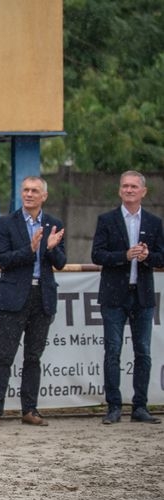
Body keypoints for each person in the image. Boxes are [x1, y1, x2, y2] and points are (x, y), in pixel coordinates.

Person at [0, 176, 66, 428]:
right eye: (25, 190)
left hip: (42, 297)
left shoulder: (54, 223)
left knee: (33, 357)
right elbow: (2, 260)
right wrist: (30, 250)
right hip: (13, 297)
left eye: (34, 191)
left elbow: (61, 262)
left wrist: (50, 248)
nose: (29, 194)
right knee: (5, 356)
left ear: (44, 196)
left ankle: (29, 409)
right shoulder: (7, 222)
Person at [91, 171, 164, 424]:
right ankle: (113, 406)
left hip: (142, 295)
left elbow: (161, 257)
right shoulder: (107, 220)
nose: (129, 190)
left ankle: (140, 406)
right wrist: (125, 255)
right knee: (112, 351)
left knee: (143, 351)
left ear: (143, 192)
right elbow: (97, 255)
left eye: (134, 186)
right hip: (114, 296)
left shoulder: (154, 223)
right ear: (119, 190)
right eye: (125, 186)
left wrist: (147, 257)